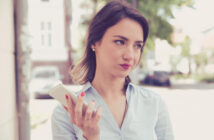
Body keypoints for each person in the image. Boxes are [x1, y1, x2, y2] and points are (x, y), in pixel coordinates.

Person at [51, 0, 174, 140]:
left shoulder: (154, 103)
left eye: (137, 46)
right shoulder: (67, 113)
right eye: (120, 42)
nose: (130, 55)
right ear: (94, 42)